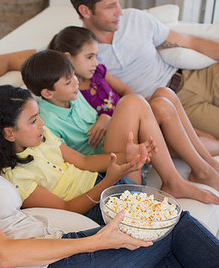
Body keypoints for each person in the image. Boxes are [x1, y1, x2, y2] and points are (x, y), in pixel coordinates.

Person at [0, 70, 219, 268]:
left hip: (60, 263)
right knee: (174, 221)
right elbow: (3, 252)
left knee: (184, 267)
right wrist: (96, 242)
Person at [0, 0, 219, 139]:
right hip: (176, 102)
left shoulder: (137, 19)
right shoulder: (69, 51)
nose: (120, 11)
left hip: (195, 75)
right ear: (86, 11)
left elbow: (191, 42)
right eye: (110, 6)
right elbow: (4, 60)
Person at [20, 49, 219, 204]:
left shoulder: (71, 94)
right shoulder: (48, 121)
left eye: (74, 76)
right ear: (47, 93)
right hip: (106, 164)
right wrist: (126, 155)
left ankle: (205, 168)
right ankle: (175, 181)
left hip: (119, 144)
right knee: (131, 102)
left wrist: (105, 117)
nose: (76, 83)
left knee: (163, 96)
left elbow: (99, 119)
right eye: (68, 81)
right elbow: (79, 162)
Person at [0, 85, 156, 224]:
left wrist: (126, 156)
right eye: (33, 121)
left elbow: (84, 162)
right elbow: (67, 208)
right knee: (167, 223)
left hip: (104, 183)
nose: (42, 123)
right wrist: (109, 180)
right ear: (9, 133)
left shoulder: (41, 136)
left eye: (38, 116)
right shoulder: (16, 178)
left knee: (172, 217)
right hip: (94, 206)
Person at [49, 26, 219, 173]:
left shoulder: (98, 72)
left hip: (132, 114)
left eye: (96, 56)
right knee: (173, 126)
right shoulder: (72, 92)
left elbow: (124, 90)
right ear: (68, 58)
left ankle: (205, 149)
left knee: (163, 94)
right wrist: (107, 118)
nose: (95, 62)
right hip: (123, 134)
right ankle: (203, 158)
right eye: (89, 57)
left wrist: (142, 105)